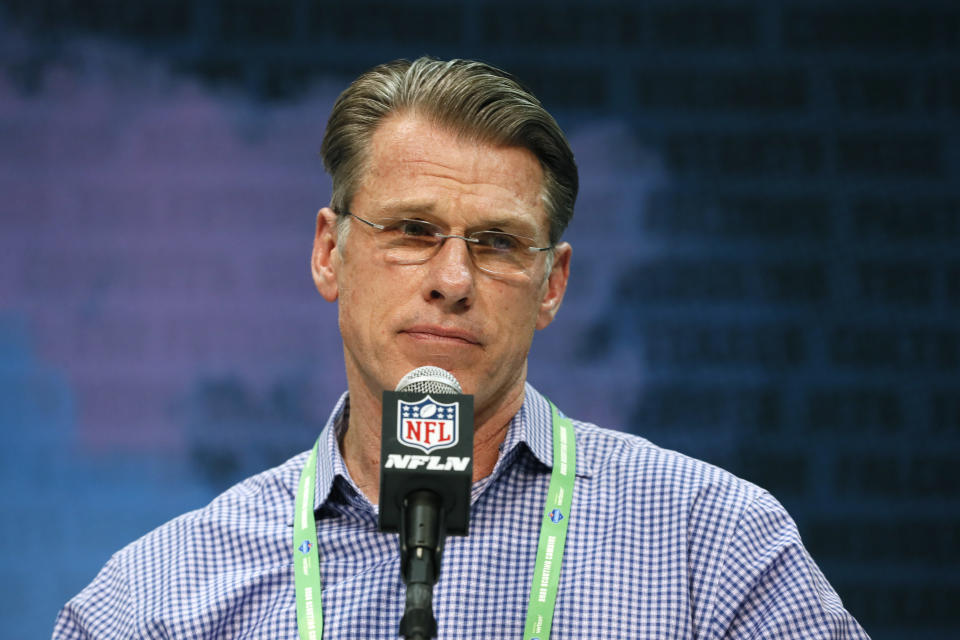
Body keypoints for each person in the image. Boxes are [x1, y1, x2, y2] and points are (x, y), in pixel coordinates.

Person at [53, 57, 869, 639]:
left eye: (499, 243)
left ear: (552, 285)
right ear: (329, 253)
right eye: (412, 231)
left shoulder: (714, 548)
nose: (452, 278)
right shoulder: (153, 602)